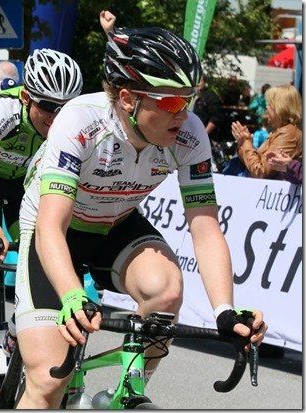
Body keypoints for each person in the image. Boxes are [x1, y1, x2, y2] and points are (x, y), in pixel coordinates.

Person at [13, 19, 267, 409]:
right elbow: (51, 225)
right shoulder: (80, 121)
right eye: (171, 102)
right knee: (48, 383)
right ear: (128, 99)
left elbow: (205, 227)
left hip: (115, 224)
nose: (183, 113)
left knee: (166, 290)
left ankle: (127, 391)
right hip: (55, 230)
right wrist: (72, 295)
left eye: (189, 99)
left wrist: (225, 310)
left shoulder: (188, 134)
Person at [0, 48, 83, 391]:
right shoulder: (2, 110)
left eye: (65, 107)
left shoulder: (71, 122)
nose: (57, 116)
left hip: (22, 185)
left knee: (46, 255)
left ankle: (17, 332)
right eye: (48, 106)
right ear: (26, 97)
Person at [231, 84, 302, 179]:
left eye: (270, 104)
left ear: (280, 108)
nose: (267, 108)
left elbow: (260, 171)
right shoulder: (280, 131)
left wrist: (246, 142)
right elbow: (254, 163)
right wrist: (243, 143)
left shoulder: (288, 133)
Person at [193, 75, 221, 140]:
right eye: (195, 80)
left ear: (204, 82)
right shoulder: (189, 94)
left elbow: (215, 118)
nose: (197, 84)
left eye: (199, 81)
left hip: (201, 134)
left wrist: (203, 135)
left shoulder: (211, 96)